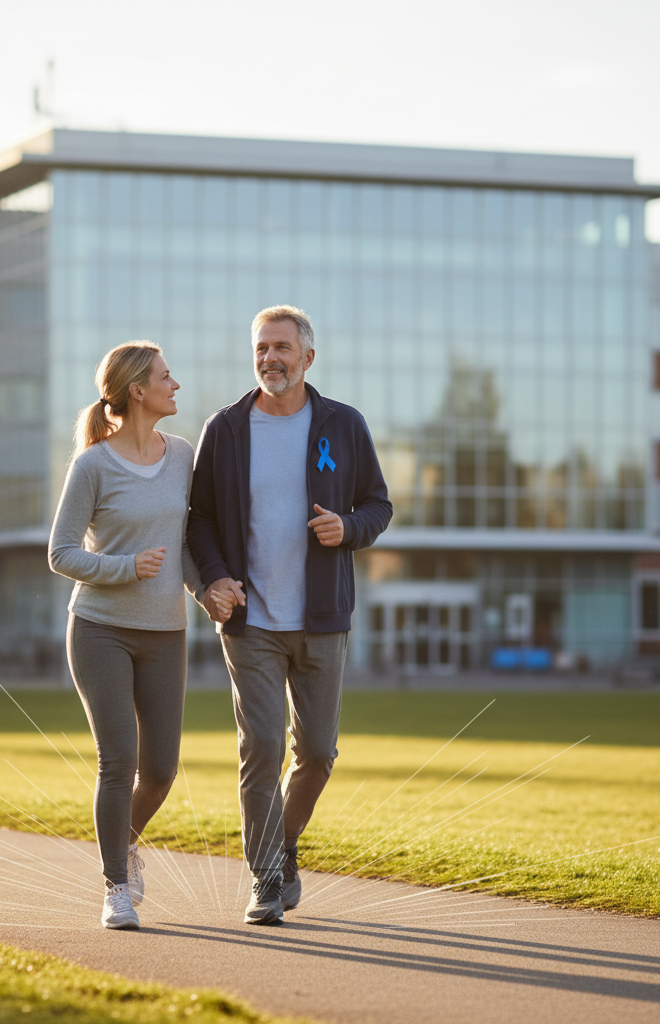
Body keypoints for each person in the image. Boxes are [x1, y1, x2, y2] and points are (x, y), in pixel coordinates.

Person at [188, 305, 392, 925]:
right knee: (263, 747)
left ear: (307, 357)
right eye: (261, 348)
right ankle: (267, 879)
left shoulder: (343, 424)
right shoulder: (224, 428)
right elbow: (197, 518)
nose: (270, 358)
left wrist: (348, 528)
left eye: (281, 347)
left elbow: (378, 506)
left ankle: (281, 845)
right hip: (252, 622)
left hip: (323, 618)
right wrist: (213, 580)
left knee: (320, 752)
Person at [49, 341, 233, 930]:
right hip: (100, 629)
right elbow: (61, 552)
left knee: (159, 769)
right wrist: (124, 568)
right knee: (117, 759)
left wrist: (206, 592)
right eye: (165, 377)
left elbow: (181, 544)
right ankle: (115, 887)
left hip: (164, 633)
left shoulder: (180, 455)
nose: (174, 385)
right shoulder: (93, 465)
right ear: (137, 391)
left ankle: (122, 843)